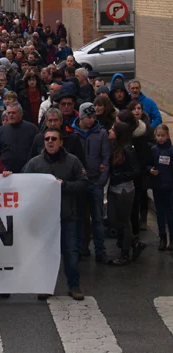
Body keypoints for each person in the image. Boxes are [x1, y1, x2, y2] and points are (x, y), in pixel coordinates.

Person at [23, 128, 88, 301]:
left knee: (70, 251)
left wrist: (64, 185)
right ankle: (45, 286)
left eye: (54, 139)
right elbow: (24, 184)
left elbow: (83, 183)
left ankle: (74, 286)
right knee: (44, 253)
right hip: (44, 218)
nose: (50, 142)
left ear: (61, 142)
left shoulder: (73, 161)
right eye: (47, 139)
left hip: (67, 215)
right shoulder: (35, 163)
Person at [71, 102, 110, 263]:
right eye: (89, 117)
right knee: (79, 218)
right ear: (81, 117)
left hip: (95, 182)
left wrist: (101, 180)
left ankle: (100, 250)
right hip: (80, 183)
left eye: (94, 117)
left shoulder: (101, 133)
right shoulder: (73, 133)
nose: (92, 120)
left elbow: (106, 157)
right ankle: (81, 247)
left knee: (97, 218)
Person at [106, 121, 142, 266]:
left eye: (112, 129)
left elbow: (136, 171)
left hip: (124, 189)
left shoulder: (127, 150)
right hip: (113, 188)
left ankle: (125, 253)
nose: (109, 131)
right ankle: (134, 242)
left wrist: (119, 176)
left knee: (124, 221)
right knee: (112, 220)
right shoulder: (113, 146)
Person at [128, 100, 155, 233]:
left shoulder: (148, 128)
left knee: (143, 193)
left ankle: (143, 218)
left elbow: (153, 145)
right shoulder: (127, 127)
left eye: (139, 108)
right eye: (134, 109)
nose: (137, 111)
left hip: (144, 166)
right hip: (131, 166)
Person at [0, 103, 38, 174]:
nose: (11, 115)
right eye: (9, 113)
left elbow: (36, 152)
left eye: (13, 113)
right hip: (6, 173)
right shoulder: (1, 130)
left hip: (27, 172)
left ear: (21, 114)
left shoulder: (32, 129)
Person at [150, 124, 173, 251]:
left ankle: (172, 239)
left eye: (163, 135)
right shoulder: (153, 149)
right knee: (160, 213)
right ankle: (162, 237)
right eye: (158, 135)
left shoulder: (171, 151)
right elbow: (148, 164)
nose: (160, 138)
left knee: (170, 213)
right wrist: (150, 170)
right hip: (157, 186)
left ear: (168, 136)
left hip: (169, 187)